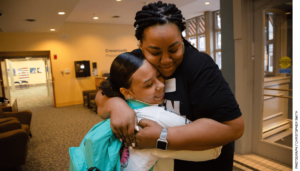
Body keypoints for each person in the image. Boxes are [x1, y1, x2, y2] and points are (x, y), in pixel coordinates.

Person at [96, 1, 244, 171]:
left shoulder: (199, 65)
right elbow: (102, 95)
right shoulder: (137, 62)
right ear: (141, 47)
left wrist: (162, 137)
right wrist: (116, 104)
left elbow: (234, 128)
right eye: (155, 52)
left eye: (174, 49)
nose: (166, 60)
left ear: (181, 40)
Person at [98, 52, 222, 171]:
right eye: (149, 85)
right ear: (127, 92)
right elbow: (214, 149)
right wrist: (159, 144)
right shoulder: (159, 117)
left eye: (158, 75)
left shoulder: (118, 109)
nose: (161, 85)